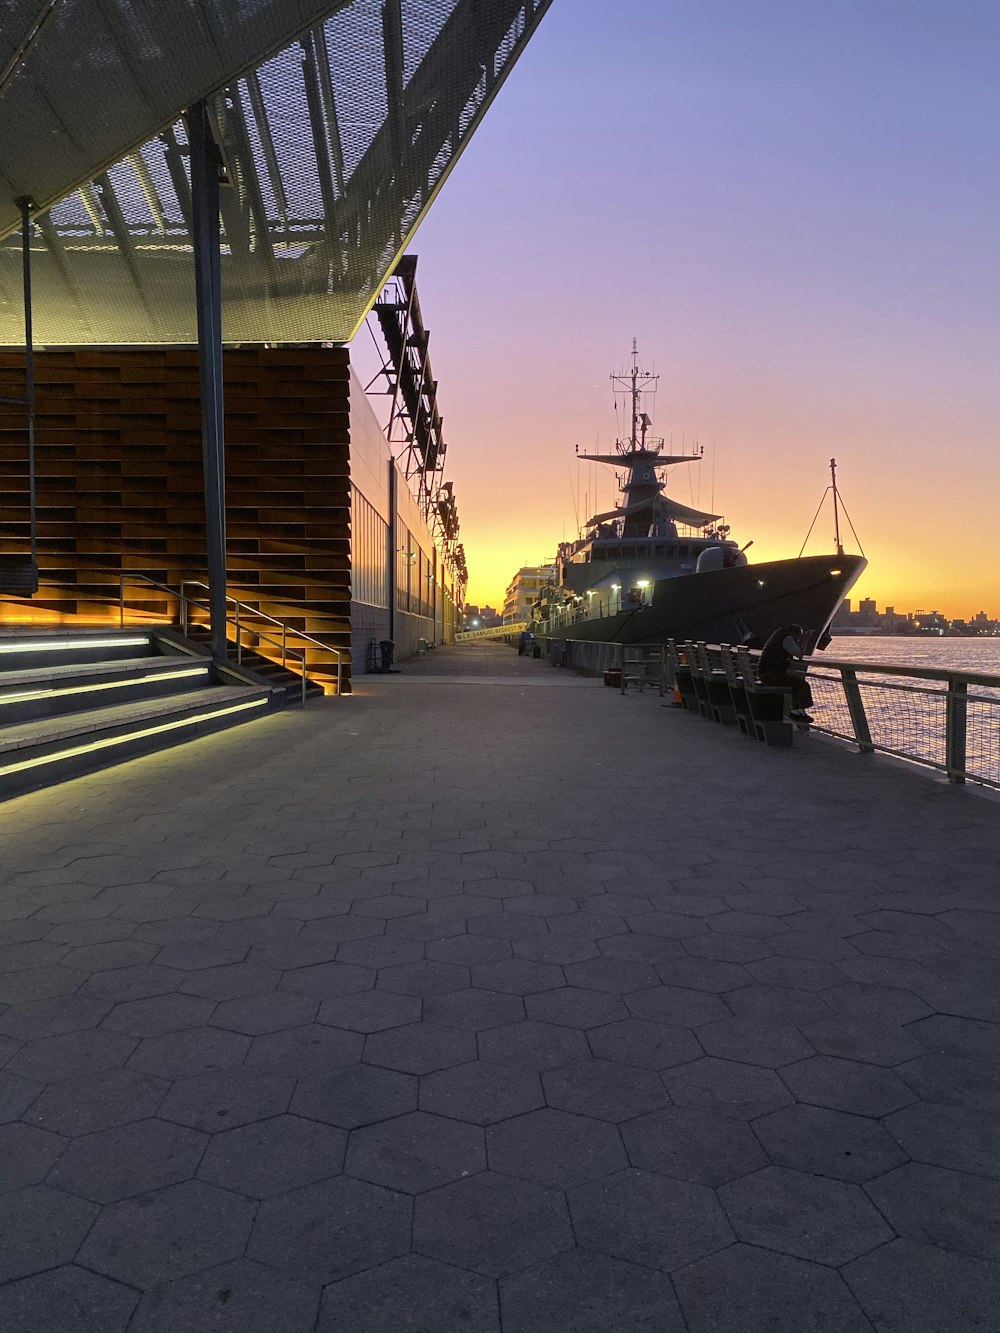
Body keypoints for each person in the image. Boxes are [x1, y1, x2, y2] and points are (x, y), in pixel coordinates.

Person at [758, 624, 814, 721]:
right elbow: (799, 655)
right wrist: (806, 640)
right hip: (772, 675)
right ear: (794, 633)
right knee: (803, 685)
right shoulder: (787, 638)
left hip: (765, 673)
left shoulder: (778, 635)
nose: (797, 641)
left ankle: (797, 712)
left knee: (794, 684)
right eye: (798, 638)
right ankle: (800, 713)